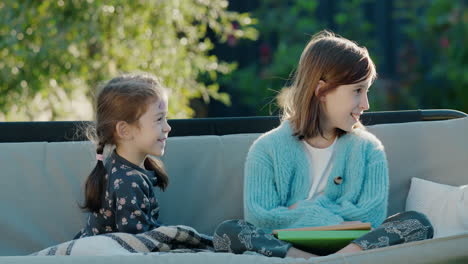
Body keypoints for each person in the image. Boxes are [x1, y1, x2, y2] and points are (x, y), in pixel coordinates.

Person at [213, 31, 433, 258]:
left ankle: (333, 260)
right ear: (321, 91)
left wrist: (301, 210)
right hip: (287, 250)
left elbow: (371, 219)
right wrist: (336, 216)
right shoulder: (266, 149)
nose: (366, 104)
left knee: (417, 223)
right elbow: (261, 220)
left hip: (354, 247)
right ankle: (311, 261)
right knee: (227, 232)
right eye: (357, 91)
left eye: (367, 91)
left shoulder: (369, 150)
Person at [75, 73, 171, 238]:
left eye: (166, 118)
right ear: (125, 130)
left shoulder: (120, 165)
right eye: (159, 119)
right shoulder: (128, 181)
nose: (167, 127)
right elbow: (137, 244)